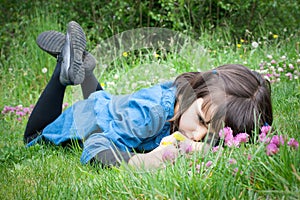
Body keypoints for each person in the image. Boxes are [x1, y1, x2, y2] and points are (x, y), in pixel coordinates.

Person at [24, 21, 273, 169]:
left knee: (108, 110)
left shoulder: (192, 102)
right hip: (86, 118)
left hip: (112, 109)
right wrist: (139, 162)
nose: (198, 136)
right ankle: (62, 72)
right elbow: (95, 147)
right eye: (200, 120)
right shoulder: (151, 113)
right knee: (34, 137)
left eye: (212, 136)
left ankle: (85, 70)